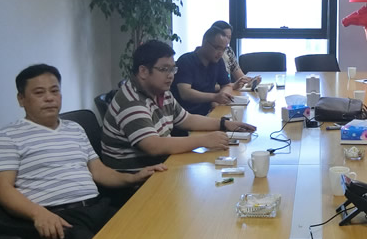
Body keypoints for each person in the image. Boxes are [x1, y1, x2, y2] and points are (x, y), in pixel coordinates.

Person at [0, 64, 167, 239]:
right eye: (39, 93)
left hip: (96, 207)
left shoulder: (74, 129)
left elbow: (99, 171)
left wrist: (134, 177)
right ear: (21, 99)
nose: (49, 98)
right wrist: (38, 214)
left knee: (148, 234)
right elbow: (2, 190)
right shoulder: (6, 137)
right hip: (57, 217)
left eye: (54, 91)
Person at [102, 40, 256, 171]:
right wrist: (204, 140)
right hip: (136, 182)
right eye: (164, 69)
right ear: (143, 71)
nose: (170, 75)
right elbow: (153, 145)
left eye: (172, 69)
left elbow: (186, 119)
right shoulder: (131, 101)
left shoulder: (161, 92)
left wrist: (225, 124)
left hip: (160, 166)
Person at [172, 26, 238, 114]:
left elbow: (227, 85)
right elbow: (185, 93)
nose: (220, 53)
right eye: (217, 48)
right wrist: (215, 97)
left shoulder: (218, 61)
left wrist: (221, 97)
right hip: (187, 115)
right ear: (205, 43)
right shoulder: (186, 61)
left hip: (208, 112)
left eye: (223, 49)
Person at [210, 20, 261, 90]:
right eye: (224, 36)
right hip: (215, 93)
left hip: (226, 91)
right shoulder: (209, 54)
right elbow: (207, 87)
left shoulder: (228, 51)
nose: (227, 40)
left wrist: (251, 80)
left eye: (229, 37)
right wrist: (233, 85)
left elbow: (240, 76)